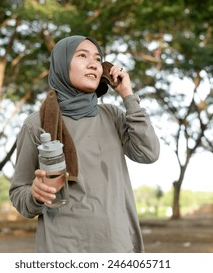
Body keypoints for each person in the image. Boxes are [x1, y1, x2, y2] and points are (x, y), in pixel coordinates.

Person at [9, 35, 160, 253]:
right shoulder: (37, 124)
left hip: (118, 247)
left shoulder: (113, 115)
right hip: (63, 250)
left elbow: (148, 152)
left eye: (98, 59)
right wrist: (35, 194)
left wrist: (128, 95)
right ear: (61, 64)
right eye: (82, 56)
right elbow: (19, 193)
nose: (93, 64)